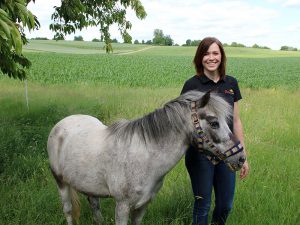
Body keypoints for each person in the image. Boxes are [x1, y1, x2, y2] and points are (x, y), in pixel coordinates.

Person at [181, 37, 250, 225]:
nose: (211, 57)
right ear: (200, 57)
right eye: (206, 53)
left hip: (227, 151)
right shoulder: (191, 85)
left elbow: (235, 120)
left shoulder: (231, 84)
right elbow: (184, 123)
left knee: (225, 205)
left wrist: (242, 152)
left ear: (221, 56)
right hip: (200, 155)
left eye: (215, 53)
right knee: (202, 205)